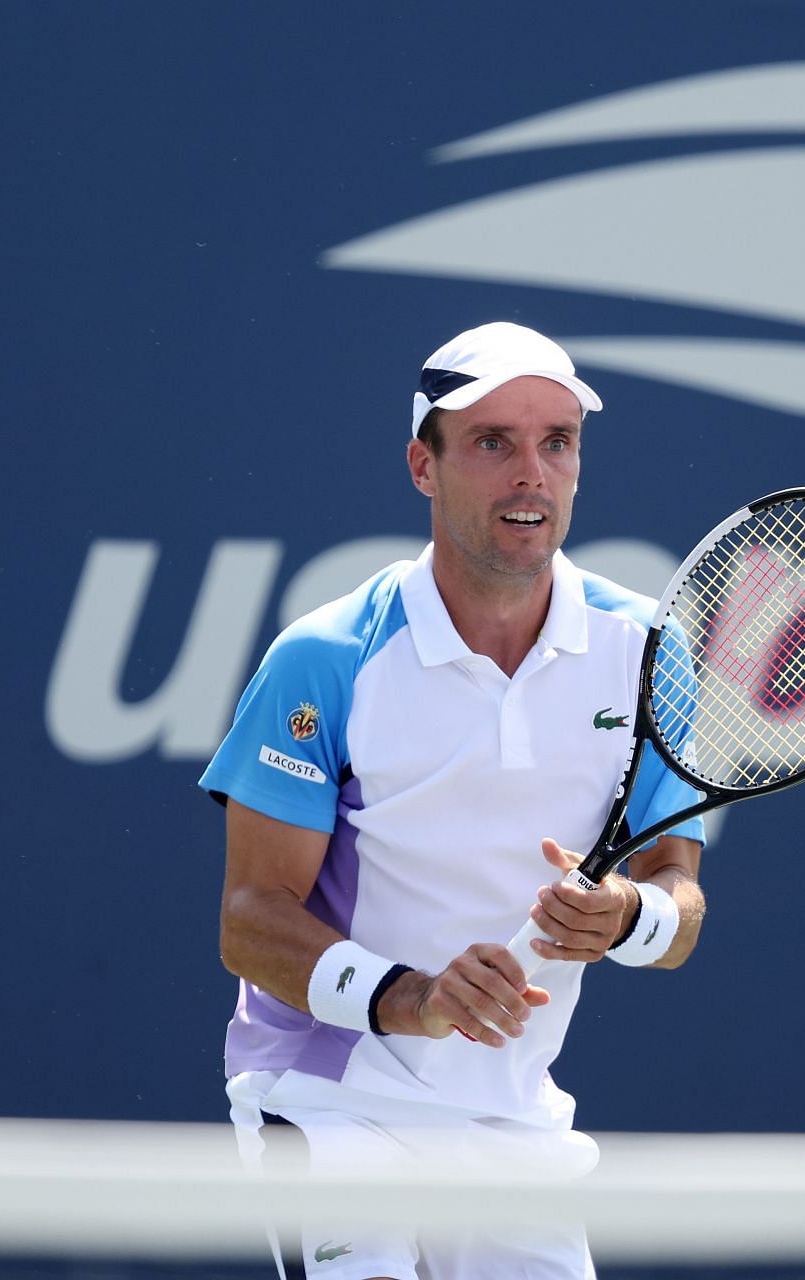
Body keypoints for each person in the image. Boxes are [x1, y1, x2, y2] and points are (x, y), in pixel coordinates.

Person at [198, 321, 707, 1279]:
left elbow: (675, 905)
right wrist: (415, 997)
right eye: (492, 442)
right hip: (329, 1102)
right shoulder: (328, 657)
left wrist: (624, 916)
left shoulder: (646, 655)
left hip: (515, 1121)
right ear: (422, 467)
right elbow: (250, 922)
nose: (532, 474)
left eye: (557, 442)